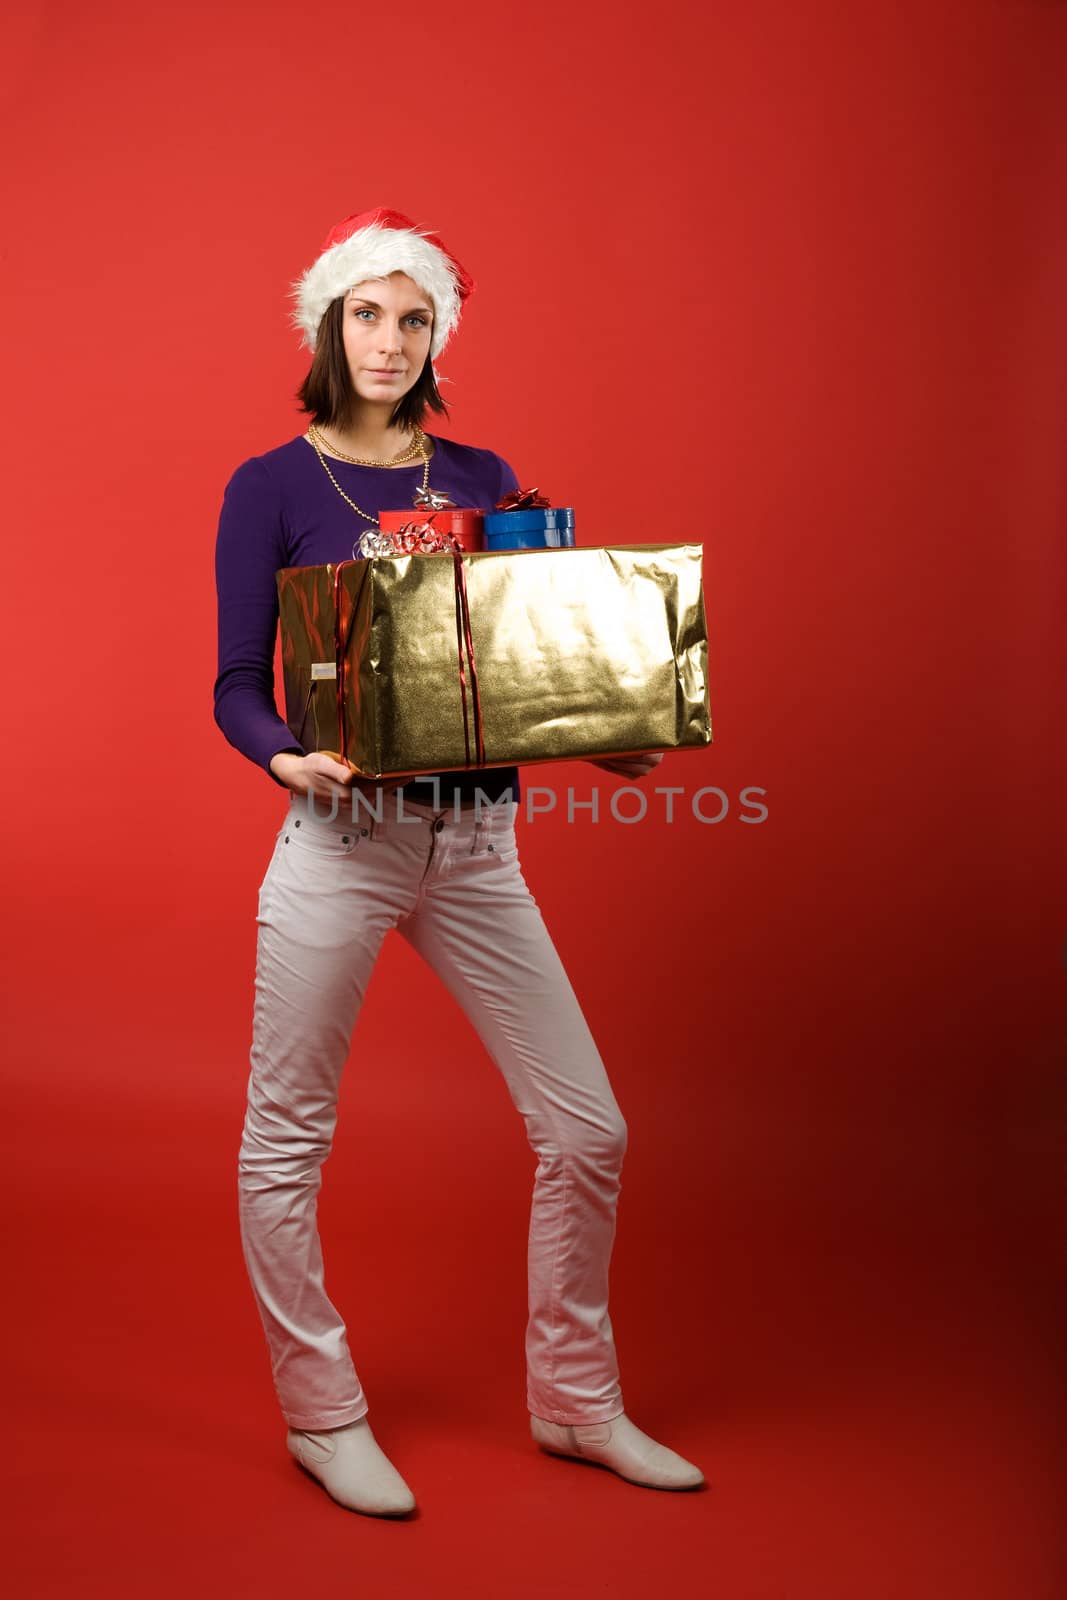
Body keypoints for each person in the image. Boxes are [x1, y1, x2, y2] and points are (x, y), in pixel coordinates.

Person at [212, 206, 705, 1517]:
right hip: (339, 837)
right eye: (365, 313)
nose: (387, 338)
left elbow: (502, 661)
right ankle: (323, 1416)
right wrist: (281, 759)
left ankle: (577, 1402)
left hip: (478, 844)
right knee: (286, 1139)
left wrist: (595, 728)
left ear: (439, 335)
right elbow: (231, 683)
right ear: (329, 325)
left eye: (412, 316)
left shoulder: (482, 470)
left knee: (588, 1128)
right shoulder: (269, 483)